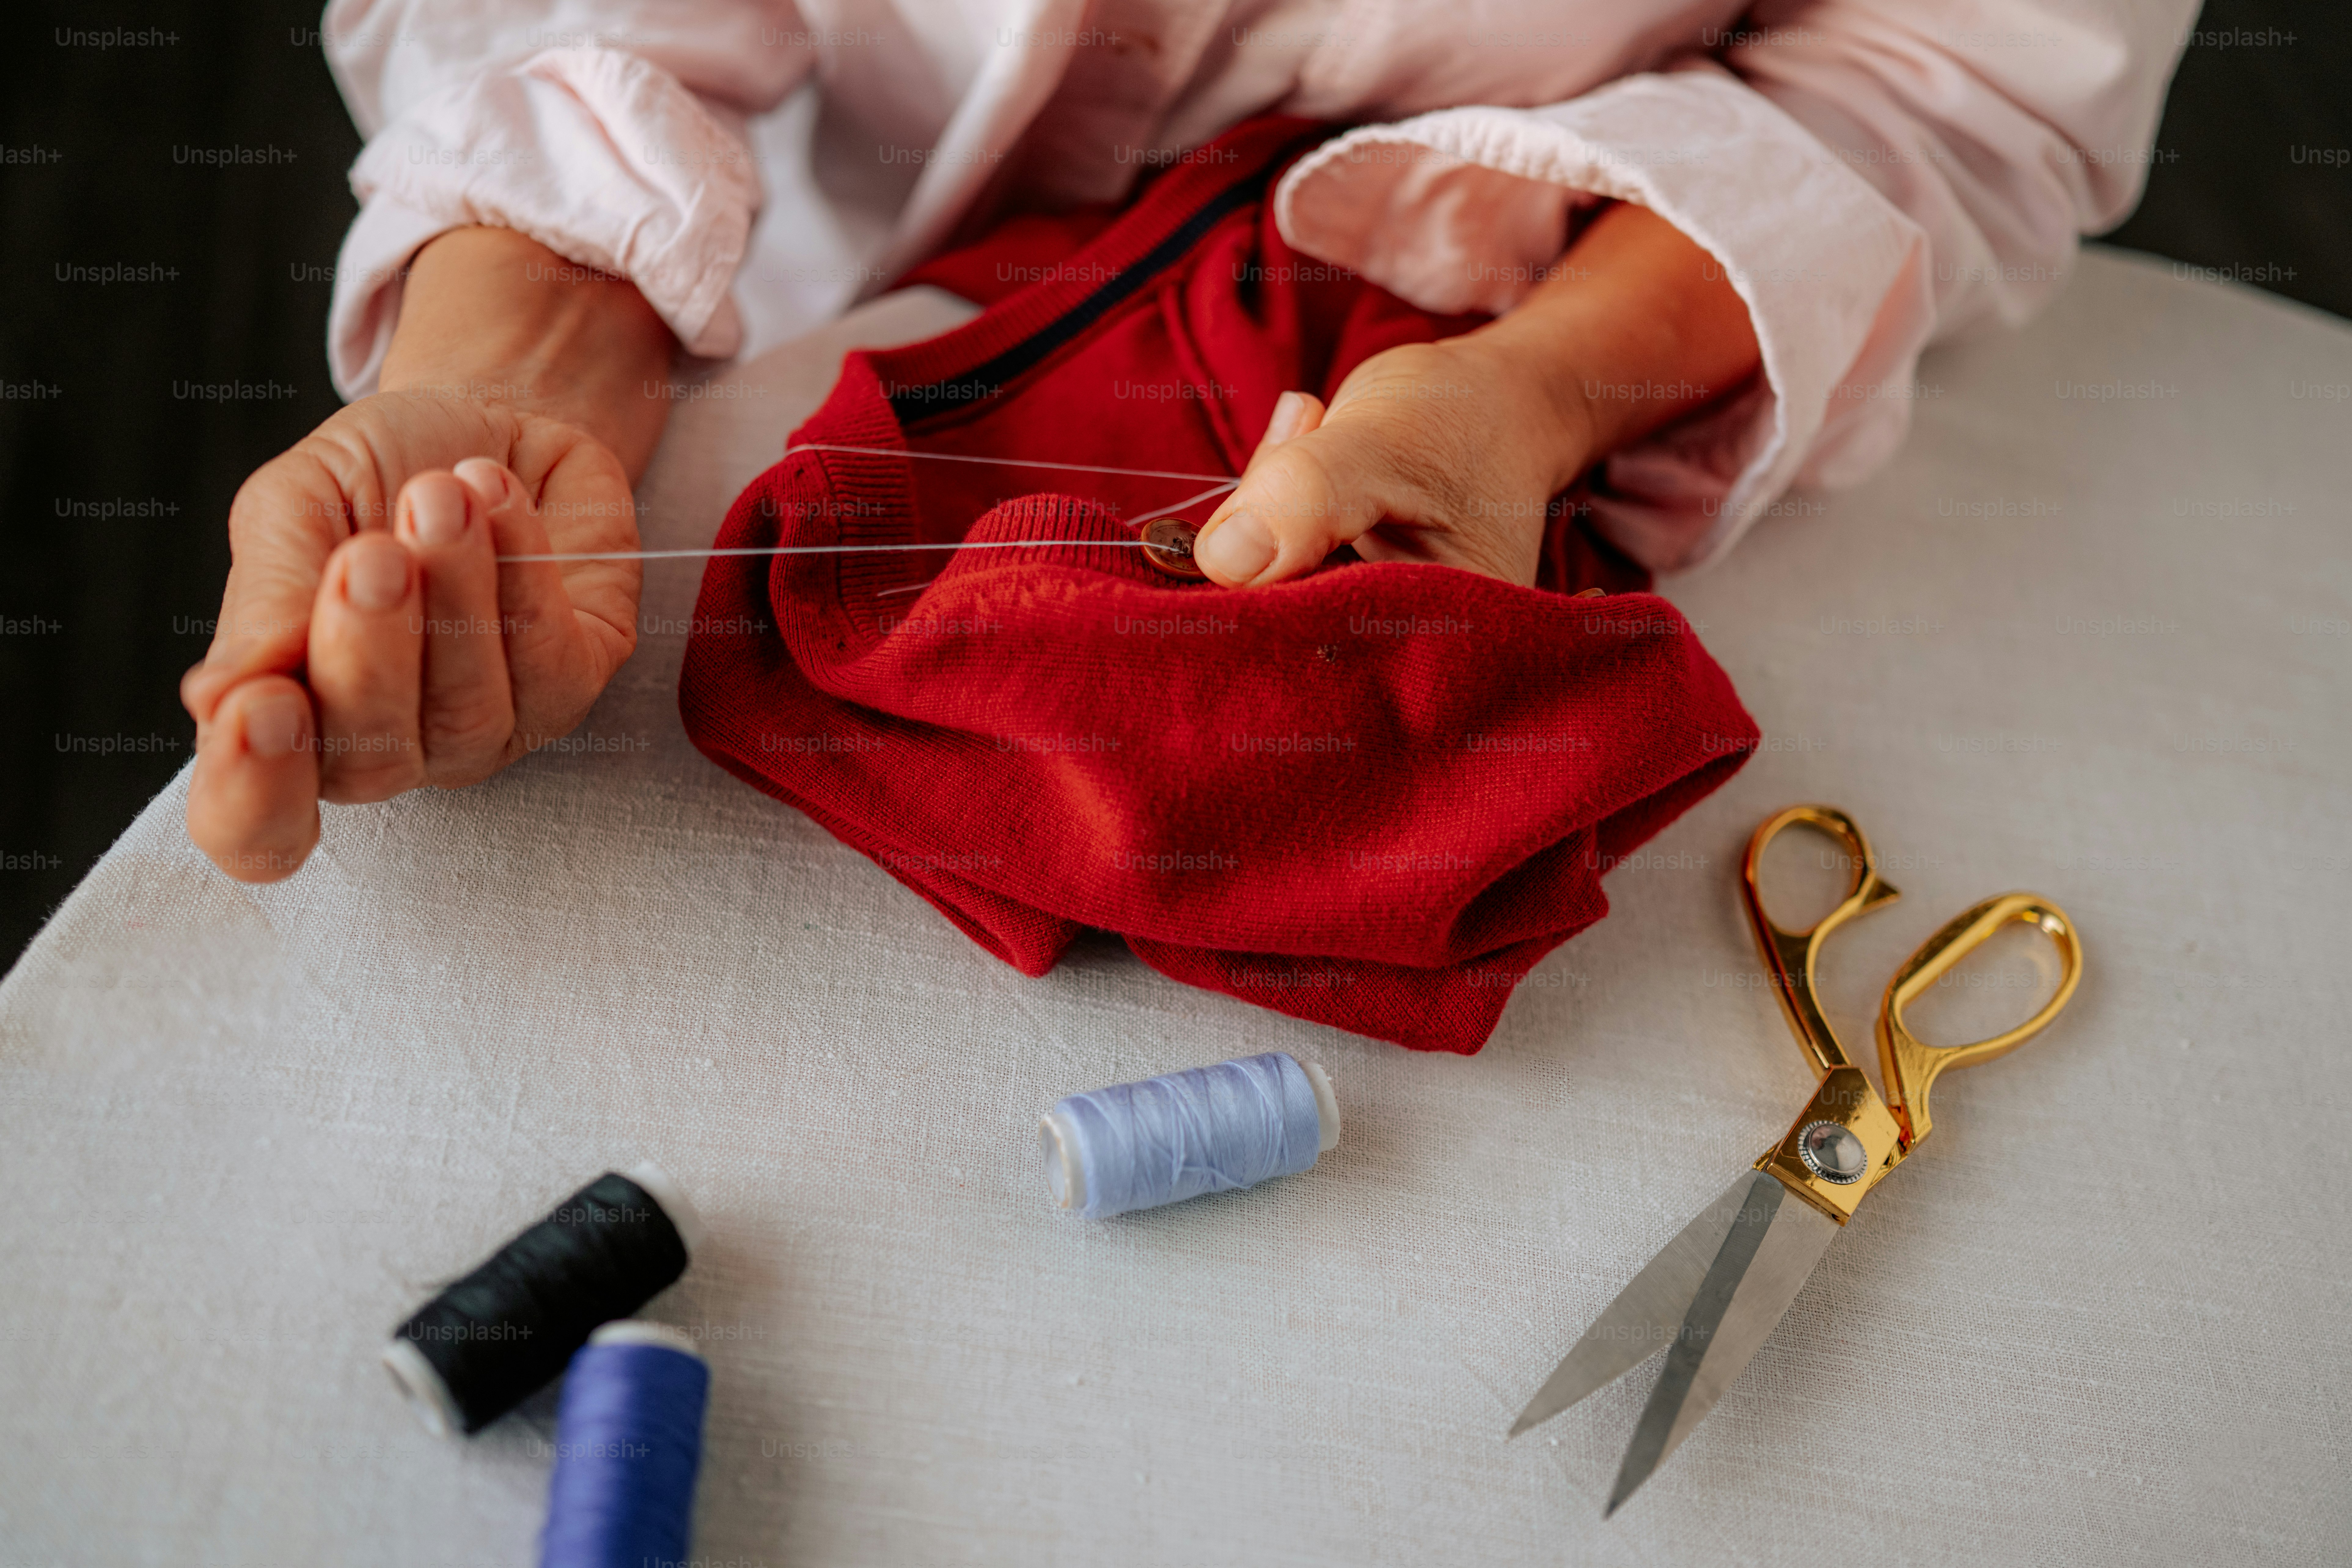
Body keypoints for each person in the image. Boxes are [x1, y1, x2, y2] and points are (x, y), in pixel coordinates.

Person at [183, 0, 2192, 882]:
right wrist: (529, 358)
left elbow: (1959, 87)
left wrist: (1540, 384)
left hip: (1490, 324)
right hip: (763, 300)